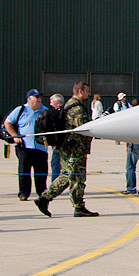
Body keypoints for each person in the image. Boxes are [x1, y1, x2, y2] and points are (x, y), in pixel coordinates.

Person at [35, 81, 97, 218]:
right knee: (77, 178)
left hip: (66, 148)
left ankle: (44, 199)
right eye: (87, 91)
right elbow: (84, 129)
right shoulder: (78, 109)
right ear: (80, 91)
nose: (89, 94)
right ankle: (79, 207)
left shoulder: (68, 105)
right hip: (75, 149)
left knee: (66, 176)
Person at [4, 89, 48, 200]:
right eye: (36, 97)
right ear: (29, 99)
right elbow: (7, 122)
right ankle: (23, 193)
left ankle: (42, 193)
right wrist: (14, 136)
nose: (39, 99)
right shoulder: (20, 110)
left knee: (41, 172)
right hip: (24, 146)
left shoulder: (45, 111)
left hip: (40, 146)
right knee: (24, 171)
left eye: (40, 97)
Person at [48, 94, 65, 184]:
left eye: (52, 102)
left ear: (58, 103)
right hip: (57, 142)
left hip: (60, 143)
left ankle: (55, 184)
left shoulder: (60, 114)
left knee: (56, 164)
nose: (50, 104)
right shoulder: (64, 112)